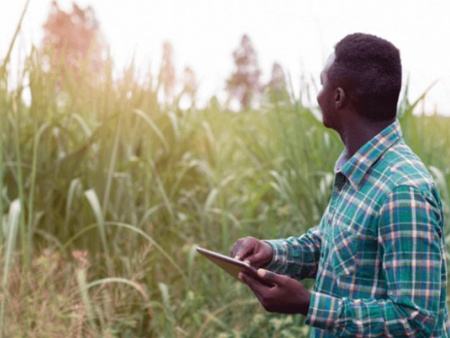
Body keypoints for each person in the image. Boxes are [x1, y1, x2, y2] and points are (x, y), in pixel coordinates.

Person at [231, 33, 450, 337]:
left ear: (338, 97)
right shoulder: (358, 166)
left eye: (322, 84)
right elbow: (335, 247)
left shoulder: (403, 192)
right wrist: (270, 253)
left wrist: (309, 305)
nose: (318, 95)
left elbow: (416, 319)